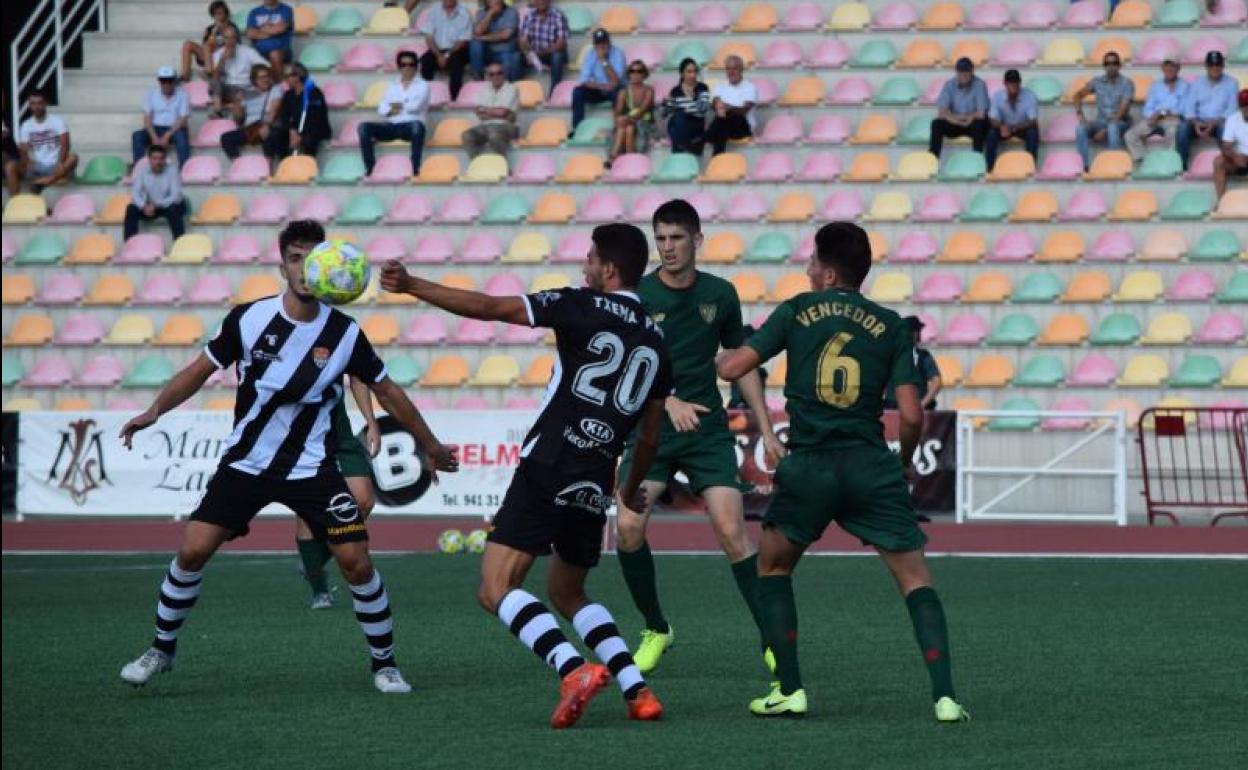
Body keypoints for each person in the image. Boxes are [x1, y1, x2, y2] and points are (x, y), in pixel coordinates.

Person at [117, 219, 459, 694]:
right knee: (192, 550)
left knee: (357, 562)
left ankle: (384, 664)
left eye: (314, 258)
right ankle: (161, 648)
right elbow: (198, 371)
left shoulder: (344, 333)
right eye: (296, 259)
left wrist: (431, 445)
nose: (305, 269)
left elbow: (389, 390)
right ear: (283, 266)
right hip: (246, 465)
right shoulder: (248, 319)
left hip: (312, 470)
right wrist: (154, 410)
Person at [379, 223, 670, 729]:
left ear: (608, 269)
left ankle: (573, 669)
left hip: (551, 461)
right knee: (569, 592)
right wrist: (626, 489)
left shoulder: (581, 304)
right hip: (595, 477)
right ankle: (637, 689)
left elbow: (492, 309)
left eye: (590, 259)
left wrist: (413, 286)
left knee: (494, 587)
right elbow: (649, 438)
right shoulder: (658, 338)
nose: (584, 267)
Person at [716, 222, 969, 723]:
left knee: (772, 568)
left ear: (828, 273)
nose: (807, 270)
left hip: (809, 464)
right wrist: (898, 464)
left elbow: (731, 369)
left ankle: (790, 689)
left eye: (812, 262)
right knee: (916, 582)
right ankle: (944, 697)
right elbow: (913, 415)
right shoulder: (892, 325)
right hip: (869, 465)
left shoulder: (795, 310)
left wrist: (715, 348)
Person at [614, 199, 785, 674]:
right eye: (661, 238)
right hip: (651, 429)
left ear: (696, 240)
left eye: (676, 238)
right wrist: (667, 401)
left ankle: (771, 639)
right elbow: (628, 366)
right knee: (627, 528)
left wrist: (766, 427)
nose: (667, 247)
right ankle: (655, 627)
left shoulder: (721, 294)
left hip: (707, 430)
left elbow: (739, 362)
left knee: (732, 531)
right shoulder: (638, 295)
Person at [297, 375, 380, 609]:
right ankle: (320, 592)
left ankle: (315, 559)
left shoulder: (337, 338)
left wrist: (371, 421)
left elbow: (358, 377)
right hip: (300, 440)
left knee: (363, 501)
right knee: (308, 513)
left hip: (339, 435)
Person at [357, 50, 430, 175]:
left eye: (411, 64)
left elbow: (416, 107)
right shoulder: (392, 86)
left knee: (417, 127)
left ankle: (415, 168)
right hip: (392, 125)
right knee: (363, 127)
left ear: (416, 67)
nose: (407, 68)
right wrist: (396, 108)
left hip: (411, 125)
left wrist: (396, 105)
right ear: (399, 67)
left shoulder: (423, 85)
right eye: (403, 65)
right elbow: (381, 108)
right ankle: (370, 168)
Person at [4, 90, 78, 196]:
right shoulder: (26, 125)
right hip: (36, 166)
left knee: (73, 157)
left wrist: (60, 162)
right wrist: (27, 161)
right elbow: (23, 149)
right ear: (29, 105)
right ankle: (15, 204)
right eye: (33, 103)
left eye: (40, 103)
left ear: (45, 104)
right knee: (10, 166)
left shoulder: (57, 121)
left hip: (55, 165)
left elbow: (65, 144)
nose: (37, 107)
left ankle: (47, 180)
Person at [1178, 51, 1239, 169]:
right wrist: (1195, 122)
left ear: (1223, 66)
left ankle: (1227, 165)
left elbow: (1232, 109)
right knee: (1182, 128)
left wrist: (1214, 123)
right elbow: (1189, 107)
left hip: (1220, 122)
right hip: (1199, 122)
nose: (1215, 68)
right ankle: (1182, 166)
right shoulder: (1197, 83)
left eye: (1218, 65)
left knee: (1225, 130)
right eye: (1211, 65)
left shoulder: (1232, 83)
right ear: (1206, 66)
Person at [1073, 51, 1134, 171]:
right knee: (1080, 128)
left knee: (1112, 127)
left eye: (1114, 63)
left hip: (1121, 122)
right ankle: (1084, 167)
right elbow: (1077, 96)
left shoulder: (1127, 83)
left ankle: (1114, 165)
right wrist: (1081, 116)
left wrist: (1104, 131)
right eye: (1107, 63)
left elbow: (1122, 111)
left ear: (1119, 65)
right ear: (1104, 66)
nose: (1111, 66)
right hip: (1101, 121)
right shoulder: (1097, 81)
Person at [264, 63, 332, 162]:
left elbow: (314, 118)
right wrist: (292, 131)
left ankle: (308, 167)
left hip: (314, 129)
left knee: (309, 139)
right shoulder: (288, 95)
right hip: (295, 129)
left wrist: (300, 134)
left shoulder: (314, 93)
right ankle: (284, 163)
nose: (286, 79)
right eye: (285, 76)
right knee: (277, 134)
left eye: (289, 76)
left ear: (298, 76)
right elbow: (285, 116)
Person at [1125, 59, 1189, 162]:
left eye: (1173, 66)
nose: (1170, 68)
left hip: (1173, 120)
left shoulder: (1185, 86)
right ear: (1162, 68)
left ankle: (1170, 163)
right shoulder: (1156, 85)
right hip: (1154, 119)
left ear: (1178, 68)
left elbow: (1183, 110)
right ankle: (1145, 161)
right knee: (1130, 135)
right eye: (1167, 65)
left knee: (1172, 132)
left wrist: (1161, 113)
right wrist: (1154, 115)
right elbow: (1147, 109)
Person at [132, 66, 192, 168]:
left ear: (174, 81)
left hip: (174, 129)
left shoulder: (183, 95)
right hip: (155, 128)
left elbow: (182, 119)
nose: (166, 84)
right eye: (163, 81)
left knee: (181, 137)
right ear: (159, 81)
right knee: (137, 136)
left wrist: (167, 136)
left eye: (169, 80)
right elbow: (147, 119)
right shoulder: (150, 94)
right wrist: (154, 137)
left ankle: (184, 169)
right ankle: (139, 167)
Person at [929, 57, 989, 158]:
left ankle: (976, 159)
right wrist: (956, 120)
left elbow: (981, 113)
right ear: (956, 72)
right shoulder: (949, 85)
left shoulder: (979, 84)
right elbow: (941, 113)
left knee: (981, 124)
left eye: (967, 71)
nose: (964, 74)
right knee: (936, 124)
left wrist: (970, 118)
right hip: (956, 123)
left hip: (972, 123)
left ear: (972, 71)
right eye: (961, 71)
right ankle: (932, 160)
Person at [124, 144, 186, 241]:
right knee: (131, 209)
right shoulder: (142, 172)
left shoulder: (172, 171)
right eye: (155, 158)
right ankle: (130, 244)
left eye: (161, 158)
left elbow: (175, 196)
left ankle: (180, 243)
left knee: (174, 209)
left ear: (165, 159)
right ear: (149, 159)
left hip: (168, 204)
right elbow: (135, 193)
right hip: (150, 206)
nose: (158, 162)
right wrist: (144, 206)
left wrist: (156, 204)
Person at [220, 63, 282, 159]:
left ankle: (267, 166)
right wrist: (237, 102)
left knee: (270, 135)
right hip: (250, 129)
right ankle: (239, 165)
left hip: (265, 124)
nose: (266, 79)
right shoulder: (248, 94)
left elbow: (273, 112)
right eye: (262, 77)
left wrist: (267, 125)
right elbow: (238, 118)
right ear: (255, 80)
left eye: (267, 76)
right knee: (226, 138)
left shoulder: (275, 90)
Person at [983, 69, 1039, 171]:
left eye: (1016, 82)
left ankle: (1031, 167)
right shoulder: (997, 96)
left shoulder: (1030, 96)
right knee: (991, 133)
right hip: (1004, 127)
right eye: (1010, 82)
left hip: (1022, 127)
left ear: (1020, 83)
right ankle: (990, 169)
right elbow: (992, 119)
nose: (1014, 85)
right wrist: (1001, 126)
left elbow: (1032, 120)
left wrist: (1015, 128)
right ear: (1005, 83)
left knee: (1033, 132)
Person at [207, 25, 266, 118]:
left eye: (233, 37)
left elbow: (265, 66)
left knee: (240, 96)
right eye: (227, 38)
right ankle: (218, 111)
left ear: (237, 38)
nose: (230, 41)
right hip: (227, 89)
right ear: (223, 39)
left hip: (245, 88)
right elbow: (215, 77)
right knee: (214, 82)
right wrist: (223, 60)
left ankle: (229, 108)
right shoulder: (218, 54)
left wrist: (257, 80)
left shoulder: (248, 52)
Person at [571, 28, 625, 130]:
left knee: (619, 93)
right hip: (599, 88)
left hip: (614, 88)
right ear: (594, 44)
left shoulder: (618, 53)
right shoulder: (590, 54)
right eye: (598, 43)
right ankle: (577, 128)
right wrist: (602, 86)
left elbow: (616, 81)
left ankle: (618, 128)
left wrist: (603, 60)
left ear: (609, 42)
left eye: (604, 42)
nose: (601, 46)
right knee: (577, 92)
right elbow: (584, 81)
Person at [884, 317, 942, 411]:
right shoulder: (923, 356)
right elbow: (937, 382)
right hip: (905, 404)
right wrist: (922, 404)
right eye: (918, 331)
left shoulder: (890, 354)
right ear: (915, 333)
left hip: (894, 405)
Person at [419, 0, 473, 101]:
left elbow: (463, 41)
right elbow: (429, 37)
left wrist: (447, 55)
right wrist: (439, 55)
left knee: (456, 62)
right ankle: (424, 96)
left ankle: (455, 98)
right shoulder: (434, 10)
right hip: (438, 50)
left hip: (457, 50)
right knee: (426, 60)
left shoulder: (464, 12)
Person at [462, 63, 518, 159]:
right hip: (486, 125)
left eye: (499, 73)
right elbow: (480, 114)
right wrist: (499, 113)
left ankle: (502, 167)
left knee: (494, 134)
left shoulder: (511, 88)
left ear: (504, 74)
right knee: (467, 135)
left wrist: (486, 110)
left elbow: (502, 112)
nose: (496, 76)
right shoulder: (484, 90)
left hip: (507, 126)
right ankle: (477, 165)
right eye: (492, 74)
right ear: (488, 76)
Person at [707, 55, 756, 155]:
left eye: (735, 68)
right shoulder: (720, 86)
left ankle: (707, 136)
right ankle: (717, 159)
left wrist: (727, 107)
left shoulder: (750, 87)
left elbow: (743, 111)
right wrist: (717, 106)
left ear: (741, 69)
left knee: (724, 120)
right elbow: (714, 104)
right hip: (724, 125)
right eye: (728, 69)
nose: (731, 72)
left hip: (743, 126)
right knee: (722, 125)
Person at [608, 60, 655, 164]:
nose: (636, 74)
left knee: (626, 126)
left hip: (644, 122)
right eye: (632, 71)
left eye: (639, 71)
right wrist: (619, 119)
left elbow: (643, 110)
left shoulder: (649, 90)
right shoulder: (624, 91)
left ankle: (613, 156)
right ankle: (630, 158)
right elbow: (618, 112)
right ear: (629, 74)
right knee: (628, 128)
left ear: (644, 74)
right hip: (628, 123)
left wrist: (626, 119)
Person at [517, 0, 569, 93]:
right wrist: (530, 56)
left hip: (552, 52)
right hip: (535, 54)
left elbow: (561, 44)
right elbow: (522, 41)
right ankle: (517, 91)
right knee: (515, 57)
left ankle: (555, 92)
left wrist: (541, 53)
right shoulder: (529, 15)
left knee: (557, 56)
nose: (541, 2)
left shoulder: (558, 15)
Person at [661, 58, 710, 156]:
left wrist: (685, 105)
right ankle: (686, 148)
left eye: (695, 71)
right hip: (680, 125)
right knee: (677, 119)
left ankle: (681, 151)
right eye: (689, 72)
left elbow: (702, 110)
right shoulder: (675, 91)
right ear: (682, 74)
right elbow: (665, 114)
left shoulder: (702, 88)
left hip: (696, 124)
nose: (693, 75)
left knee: (680, 116)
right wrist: (666, 104)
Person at [179, 1, 235, 82]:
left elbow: (234, 44)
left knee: (207, 46)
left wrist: (222, 29)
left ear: (226, 13)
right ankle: (185, 75)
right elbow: (205, 48)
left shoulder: (231, 28)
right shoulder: (210, 29)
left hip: (223, 55)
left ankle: (209, 73)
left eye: (220, 13)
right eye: (215, 13)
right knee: (188, 44)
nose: (218, 16)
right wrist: (214, 32)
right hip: (210, 56)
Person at [469, 0, 520, 82]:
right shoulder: (481, 13)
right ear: (486, 2)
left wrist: (483, 38)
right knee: (475, 43)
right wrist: (490, 14)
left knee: (513, 58)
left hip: (505, 52)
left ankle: (507, 87)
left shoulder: (511, 12)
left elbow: (505, 35)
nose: (496, 1)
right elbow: (478, 31)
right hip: (487, 53)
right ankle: (477, 77)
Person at [1213, 89, 1248, 200]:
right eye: (1244, 105)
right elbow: (1226, 146)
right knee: (1219, 161)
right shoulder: (1233, 119)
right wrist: (1234, 156)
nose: (1246, 108)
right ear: (1239, 106)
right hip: (1239, 160)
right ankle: (1221, 202)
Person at [245, 0, 294, 71]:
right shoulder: (254, 12)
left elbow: (280, 29)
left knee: (274, 54)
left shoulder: (286, 9)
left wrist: (260, 29)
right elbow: (250, 34)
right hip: (258, 51)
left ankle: (278, 82)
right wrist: (272, 30)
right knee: (247, 55)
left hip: (281, 51)